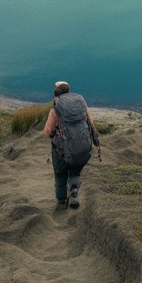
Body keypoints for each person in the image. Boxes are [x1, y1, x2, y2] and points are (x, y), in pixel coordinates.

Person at [43, 80, 101, 208]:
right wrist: (97, 144)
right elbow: (91, 125)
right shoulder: (81, 108)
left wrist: (54, 135)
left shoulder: (55, 111)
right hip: (82, 149)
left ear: (55, 93)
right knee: (75, 172)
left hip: (61, 150)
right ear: (68, 91)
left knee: (60, 175)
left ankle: (61, 201)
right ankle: (74, 192)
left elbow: (48, 131)